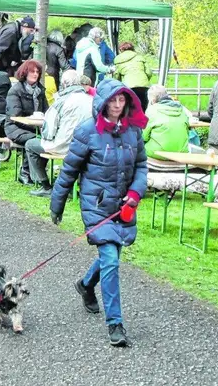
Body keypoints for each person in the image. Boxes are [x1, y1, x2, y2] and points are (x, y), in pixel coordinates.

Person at [50, 79, 149, 348]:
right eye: (113, 101)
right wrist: (56, 204)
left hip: (124, 207)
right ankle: (115, 324)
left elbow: (141, 166)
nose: (117, 106)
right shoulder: (87, 132)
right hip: (96, 207)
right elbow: (69, 171)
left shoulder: (133, 132)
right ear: (102, 103)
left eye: (122, 100)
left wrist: (137, 192)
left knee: (113, 255)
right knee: (111, 260)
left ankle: (85, 284)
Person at [24, 70, 93, 196]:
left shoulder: (61, 101)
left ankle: (44, 185)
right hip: (87, 147)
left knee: (30, 144)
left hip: (63, 146)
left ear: (64, 84)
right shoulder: (92, 101)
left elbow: (49, 130)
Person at [5, 61, 46, 183]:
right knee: (35, 141)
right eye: (32, 72)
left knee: (47, 141)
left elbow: (47, 112)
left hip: (35, 127)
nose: (35, 74)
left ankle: (37, 172)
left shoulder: (40, 91)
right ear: (24, 73)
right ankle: (25, 172)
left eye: (37, 72)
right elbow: (14, 116)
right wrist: (33, 123)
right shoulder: (15, 90)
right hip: (14, 127)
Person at [142, 84, 192, 159]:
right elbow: (187, 132)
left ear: (152, 99)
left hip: (157, 153)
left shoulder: (151, 110)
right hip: (181, 152)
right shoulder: (182, 109)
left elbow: (144, 136)